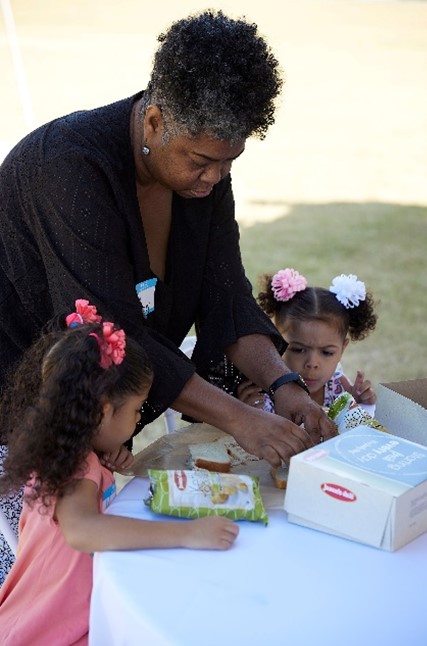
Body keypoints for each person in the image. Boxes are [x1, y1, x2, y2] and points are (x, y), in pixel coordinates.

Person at [0, 10, 336, 577]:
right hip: (19, 427)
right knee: (36, 580)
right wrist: (240, 419)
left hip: (95, 429)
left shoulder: (203, 177)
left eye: (228, 163)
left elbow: (227, 295)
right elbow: (113, 331)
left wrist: (285, 386)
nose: (214, 180)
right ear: (154, 121)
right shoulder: (67, 168)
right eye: (202, 161)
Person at [0, 301, 239, 645]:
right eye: (137, 409)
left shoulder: (66, 451)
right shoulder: (78, 465)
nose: (137, 419)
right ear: (103, 412)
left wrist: (103, 462)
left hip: (50, 612)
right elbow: (82, 530)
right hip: (55, 629)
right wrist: (188, 534)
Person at [237, 268, 378, 416]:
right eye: (298, 350)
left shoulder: (340, 389)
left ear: (342, 349)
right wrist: (246, 412)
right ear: (275, 342)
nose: (312, 363)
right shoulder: (261, 395)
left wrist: (358, 402)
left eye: (327, 352)